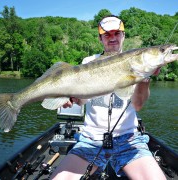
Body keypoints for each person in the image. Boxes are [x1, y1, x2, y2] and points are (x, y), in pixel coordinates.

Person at [51, 15, 166, 180]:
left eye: (117, 33)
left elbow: (138, 105)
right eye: (107, 34)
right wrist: (72, 98)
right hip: (91, 139)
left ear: (123, 36)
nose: (112, 38)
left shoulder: (137, 62)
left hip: (129, 140)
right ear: (100, 38)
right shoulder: (89, 61)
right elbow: (83, 100)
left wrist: (144, 78)